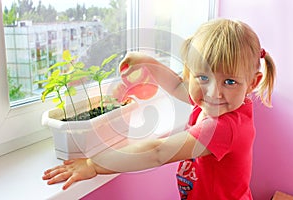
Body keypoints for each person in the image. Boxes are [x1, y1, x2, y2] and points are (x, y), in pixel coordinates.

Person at [42, 18, 276, 199]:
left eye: (230, 82)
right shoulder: (218, 102)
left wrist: (94, 165)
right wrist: (148, 63)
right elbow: (177, 85)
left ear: (252, 83)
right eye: (203, 77)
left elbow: (158, 152)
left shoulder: (224, 127)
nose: (213, 92)